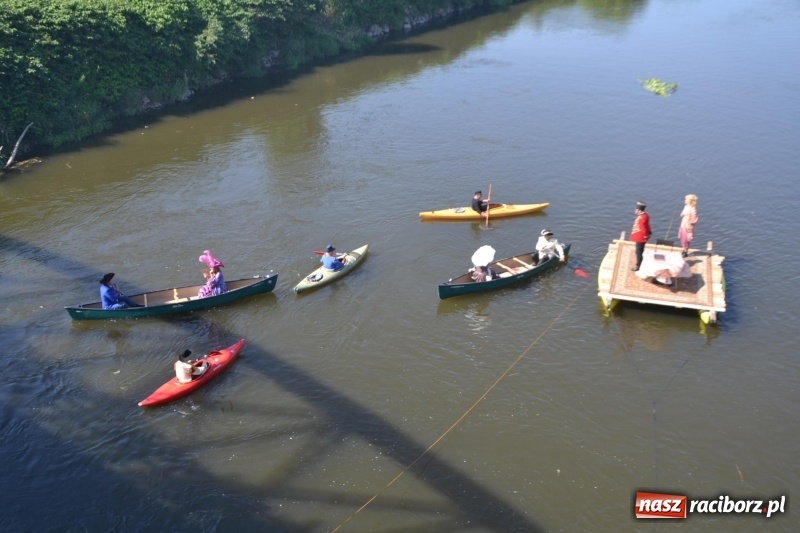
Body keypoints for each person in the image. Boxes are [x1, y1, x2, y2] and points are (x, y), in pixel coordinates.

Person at [630, 201, 652, 272]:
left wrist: (646, 235)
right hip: (641, 236)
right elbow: (647, 225)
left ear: (639, 211)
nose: (635, 211)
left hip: (640, 237)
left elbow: (643, 228)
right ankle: (640, 263)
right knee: (640, 251)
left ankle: (638, 265)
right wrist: (649, 232)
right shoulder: (645, 215)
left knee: (638, 251)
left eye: (636, 210)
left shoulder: (641, 218)